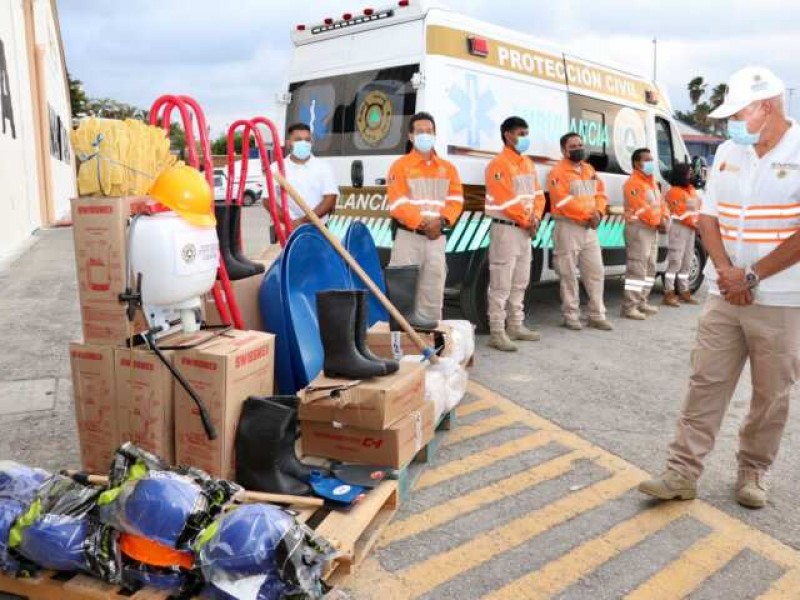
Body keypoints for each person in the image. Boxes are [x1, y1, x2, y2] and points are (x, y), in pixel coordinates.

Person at [639, 66, 800, 509]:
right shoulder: (730, 151)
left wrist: (754, 274)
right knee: (705, 382)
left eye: (738, 113)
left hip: (782, 299)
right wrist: (728, 271)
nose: (729, 124)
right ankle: (681, 472)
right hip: (723, 294)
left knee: (771, 394)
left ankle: (753, 471)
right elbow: (709, 218)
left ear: (766, 108)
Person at [387, 112, 464, 321]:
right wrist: (423, 224)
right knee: (402, 297)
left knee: (433, 297)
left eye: (429, 131)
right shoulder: (400, 166)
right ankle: (402, 349)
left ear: (435, 134)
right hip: (408, 239)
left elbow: (456, 201)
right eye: (420, 132)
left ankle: (431, 347)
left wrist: (442, 221)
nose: (425, 135)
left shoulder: (448, 169)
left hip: (436, 240)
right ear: (411, 136)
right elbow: (398, 204)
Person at [484, 116, 546, 351]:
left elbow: (538, 195)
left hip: (525, 230)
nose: (524, 138)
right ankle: (497, 331)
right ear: (507, 135)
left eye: (526, 133)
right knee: (501, 281)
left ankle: (515, 325)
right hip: (507, 229)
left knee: (520, 280)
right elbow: (506, 199)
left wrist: (536, 218)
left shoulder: (527, 164)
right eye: (520, 133)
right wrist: (526, 220)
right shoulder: (498, 164)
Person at [547, 133, 613, 331]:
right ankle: (571, 315)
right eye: (573, 146)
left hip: (589, 229)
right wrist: (588, 215)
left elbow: (600, 194)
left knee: (596, 271)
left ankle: (596, 315)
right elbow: (563, 201)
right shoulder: (558, 172)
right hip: (568, 227)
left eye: (580, 145)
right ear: (563, 150)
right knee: (567, 274)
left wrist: (599, 213)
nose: (578, 148)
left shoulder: (589, 169)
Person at [621, 148, 668, 320]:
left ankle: (642, 301)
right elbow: (642, 209)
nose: (650, 163)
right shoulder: (633, 183)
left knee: (650, 268)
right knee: (637, 269)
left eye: (651, 159)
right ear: (636, 163)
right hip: (639, 229)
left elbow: (661, 204)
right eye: (646, 160)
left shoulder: (652, 182)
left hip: (652, 229)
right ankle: (629, 306)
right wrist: (660, 221)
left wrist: (664, 218)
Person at [268, 122, 338, 230]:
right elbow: (267, 200)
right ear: (288, 143)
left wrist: (303, 222)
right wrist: (289, 222)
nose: (304, 143)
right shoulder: (276, 168)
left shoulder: (324, 167)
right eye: (298, 140)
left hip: (319, 229)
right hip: (287, 229)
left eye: (307, 140)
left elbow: (330, 199)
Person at [663, 162, 701, 306]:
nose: (690, 174)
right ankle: (669, 293)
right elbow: (680, 212)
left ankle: (685, 292)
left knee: (687, 261)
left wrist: (699, 223)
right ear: (681, 174)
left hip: (691, 230)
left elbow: (697, 210)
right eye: (688, 172)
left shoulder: (691, 190)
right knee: (675, 262)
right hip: (679, 229)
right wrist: (696, 224)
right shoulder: (674, 191)